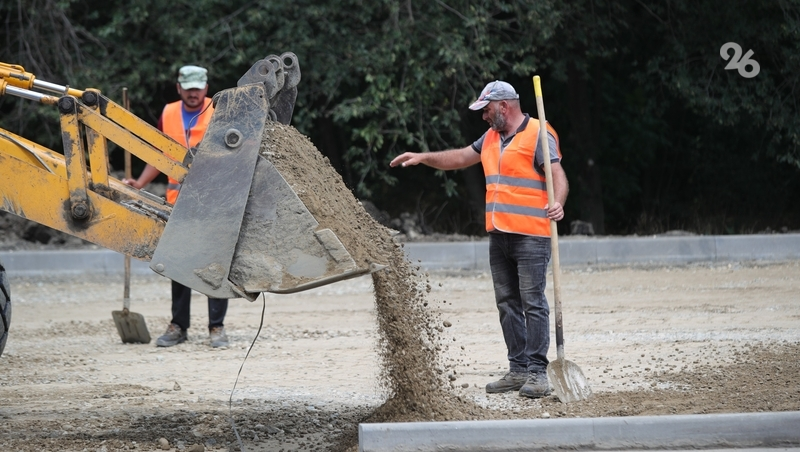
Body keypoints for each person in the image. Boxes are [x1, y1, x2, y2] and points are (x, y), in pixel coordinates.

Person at [390, 80, 568, 398]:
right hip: (499, 234)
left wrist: (559, 203)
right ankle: (518, 370)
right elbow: (459, 158)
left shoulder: (539, 134)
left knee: (533, 304)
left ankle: (538, 373)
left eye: (486, 110)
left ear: (504, 106)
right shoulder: (491, 137)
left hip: (531, 235)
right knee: (507, 304)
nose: (484, 116)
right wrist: (423, 157)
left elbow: (557, 175)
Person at [123, 65, 230, 348]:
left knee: (214, 266)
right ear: (179, 87)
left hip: (213, 203)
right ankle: (178, 326)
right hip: (178, 206)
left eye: (198, 88)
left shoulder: (219, 111)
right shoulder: (169, 113)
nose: (193, 94)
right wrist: (140, 184)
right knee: (178, 265)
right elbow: (160, 154)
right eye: (188, 88)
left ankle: (216, 328)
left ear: (206, 88)